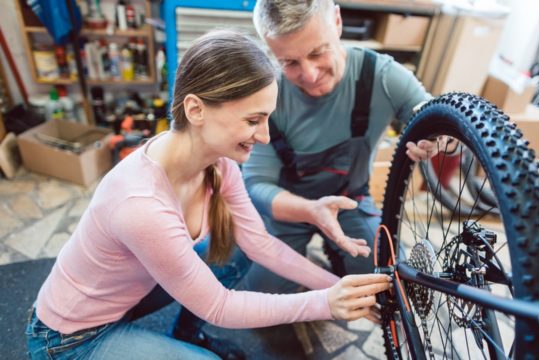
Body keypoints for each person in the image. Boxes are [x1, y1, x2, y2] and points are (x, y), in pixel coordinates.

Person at [25, 30, 392, 360]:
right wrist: (326, 303)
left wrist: (344, 290)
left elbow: (260, 245)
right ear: (196, 109)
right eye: (253, 120)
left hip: (125, 298)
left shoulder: (219, 165)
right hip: (70, 338)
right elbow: (220, 307)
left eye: (267, 119)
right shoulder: (140, 205)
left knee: (234, 249)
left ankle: (186, 335)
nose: (264, 136)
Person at [239, 0, 442, 293]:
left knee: (383, 280)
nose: (308, 75)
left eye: (317, 52)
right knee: (262, 295)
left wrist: (438, 140)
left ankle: (339, 251)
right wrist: (312, 211)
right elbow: (257, 185)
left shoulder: (383, 77)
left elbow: (437, 118)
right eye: (290, 62)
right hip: (290, 209)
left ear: (336, 21)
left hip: (350, 201)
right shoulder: (269, 95)